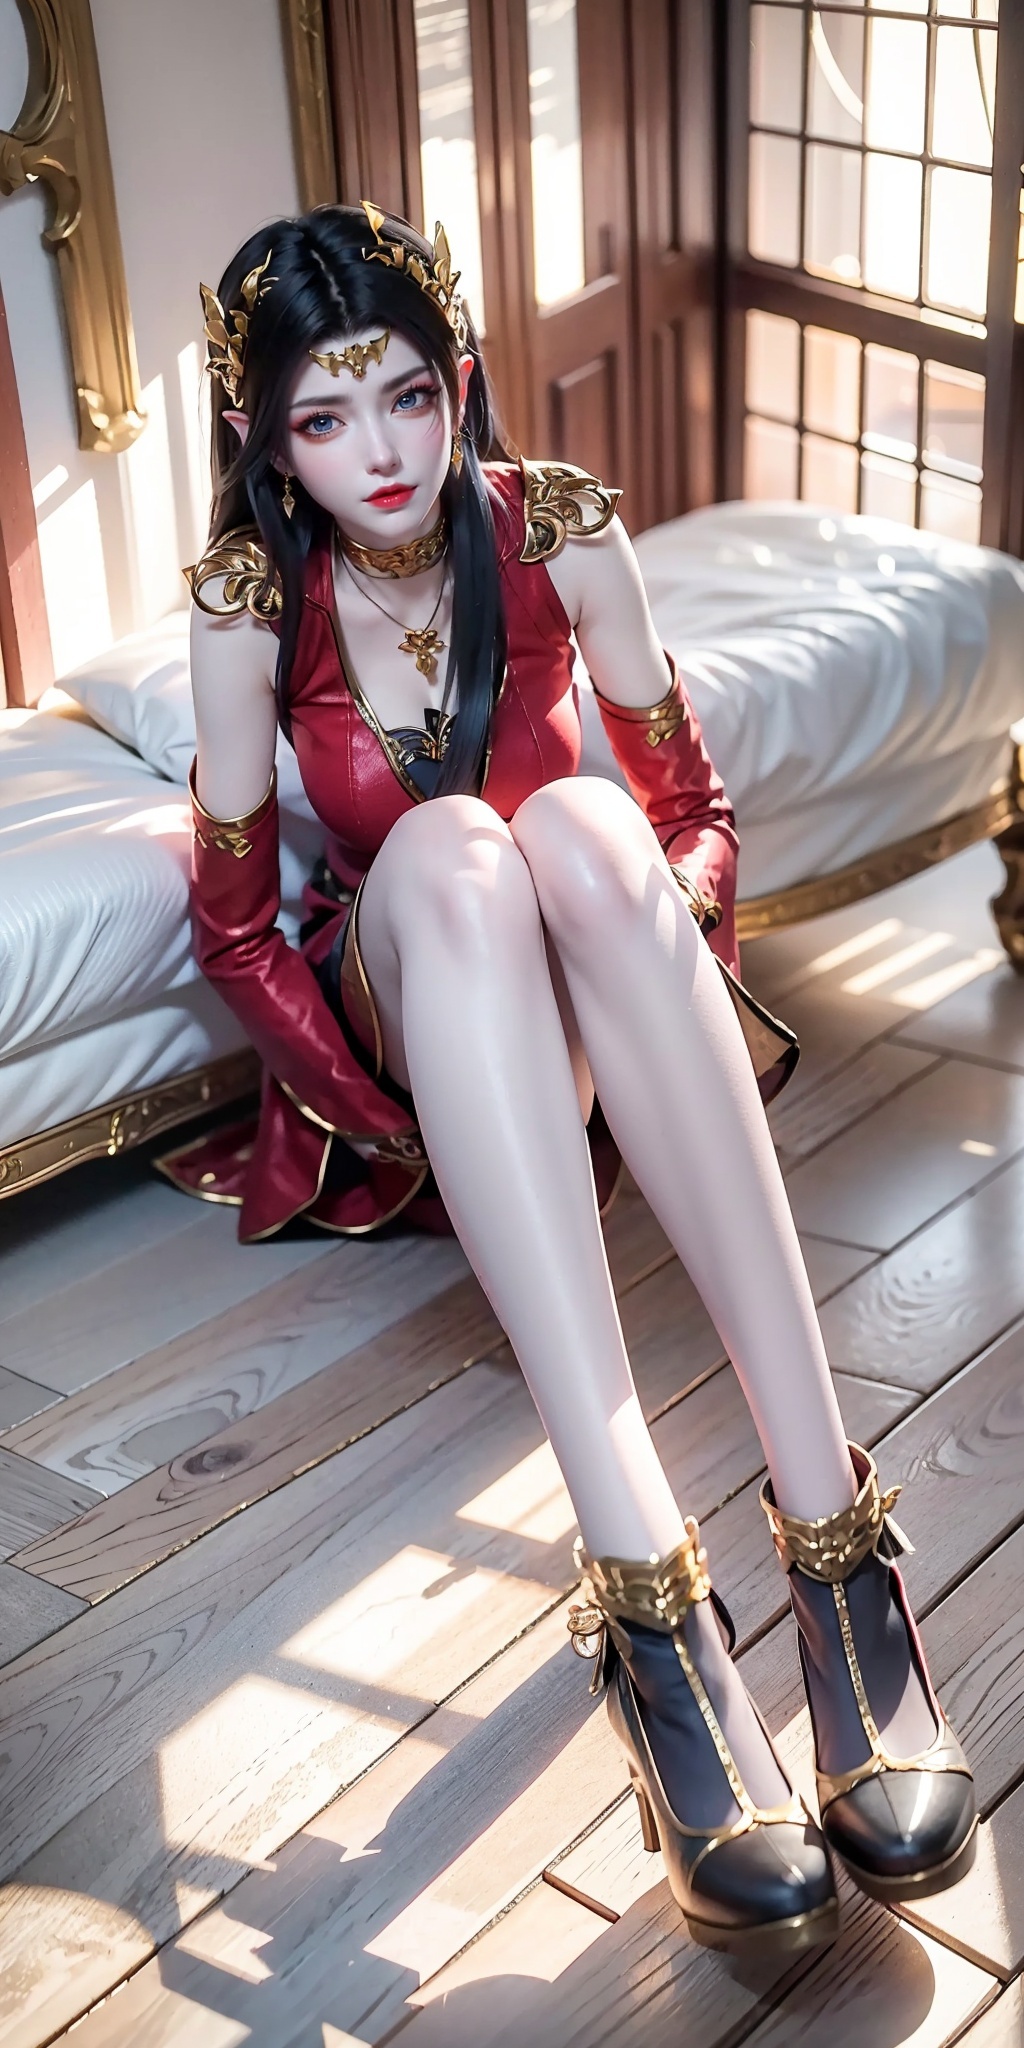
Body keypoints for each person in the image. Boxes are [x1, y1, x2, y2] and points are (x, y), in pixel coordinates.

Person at [179, 201, 976, 1959]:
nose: (381, 453)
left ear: (460, 380)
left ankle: (839, 1545)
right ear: (265, 437)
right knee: (457, 849)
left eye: (406, 396)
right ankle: (649, 1608)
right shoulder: (251, 608)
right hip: (418, 1002)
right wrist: (387, 1119)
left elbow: (696, 815)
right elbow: (234, 929)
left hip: (594, 985)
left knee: (593, 829)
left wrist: (647, 968)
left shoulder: (559, 528)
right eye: (324, 418)